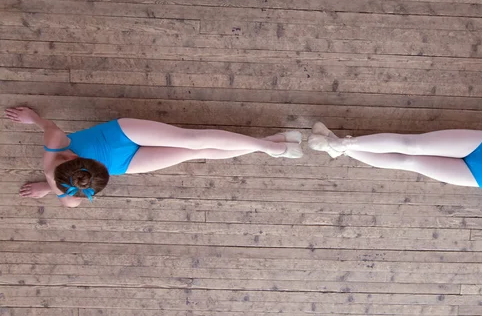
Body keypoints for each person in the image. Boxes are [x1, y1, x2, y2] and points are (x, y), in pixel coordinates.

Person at [6, 107, 303, 208]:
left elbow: (46, 125)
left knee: (191, 140)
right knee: (194, 154)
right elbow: (69, 201)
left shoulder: (55, 142)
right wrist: (48, 185)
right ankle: (267, 144)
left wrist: (33, 118)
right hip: (125, 164)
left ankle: (270, 147)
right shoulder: (70, 182)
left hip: (121, 135)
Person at [307, 122, 482, 219]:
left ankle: (338, 146)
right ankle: (339, 144)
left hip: (480, 176)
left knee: (410, 160)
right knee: (413, 146)